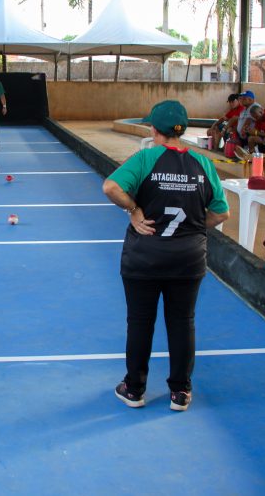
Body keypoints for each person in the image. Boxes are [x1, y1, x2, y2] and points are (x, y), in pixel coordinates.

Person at [103, 100, 230, 412]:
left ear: (153, 130)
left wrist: (134, 210)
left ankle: (134, 389)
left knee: (140, 322)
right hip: (188, 259)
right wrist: (194, 225)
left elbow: (110, 187)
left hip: (144, 257)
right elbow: (221, 212)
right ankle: (181, 392)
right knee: (183, 322)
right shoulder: (204, 164)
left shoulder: (147, 158)